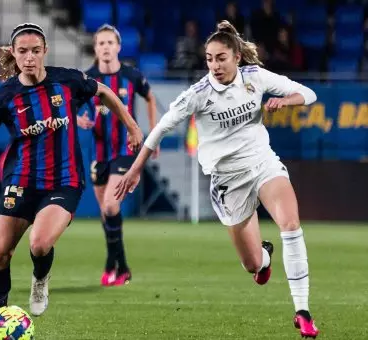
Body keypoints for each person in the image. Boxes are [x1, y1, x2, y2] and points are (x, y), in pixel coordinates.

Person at [114, 20, 319, 338]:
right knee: (253, 265)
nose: (214, 64)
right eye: (209, 58)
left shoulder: (255, 77)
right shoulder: (199, 93)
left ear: (237, 56)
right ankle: (264, 258)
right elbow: (160, 129)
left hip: (262, 164)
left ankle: (303, 312)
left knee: (291, 225)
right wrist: (135, 168)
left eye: (221, 57)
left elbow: (307, 93)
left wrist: (283, 100)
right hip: (227, 181)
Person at [0, 22, 143, 331]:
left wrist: (131, 125)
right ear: (14, 54)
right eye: (23, 52)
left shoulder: (68, 81)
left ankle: (40, 278)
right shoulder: (5, 96)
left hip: (65, 180)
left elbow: (103, 91)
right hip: (21, 181)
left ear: (45, 51)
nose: (30, 58)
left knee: (39, 243)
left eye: (36, 51)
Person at [76, 24, 158, 287]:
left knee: (111, 206)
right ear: (95, 48)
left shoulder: (131, 76)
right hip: (98, 153)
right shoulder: (87, 78)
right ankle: (117, 266)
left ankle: (118, 266)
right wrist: (80, 119)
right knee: (105, 213)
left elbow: (149, 98)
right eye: (101, 43)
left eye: (110, 43)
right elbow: (72, 106)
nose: (106, 47)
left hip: (126, 151)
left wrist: (152, 131)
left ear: (118, 47)